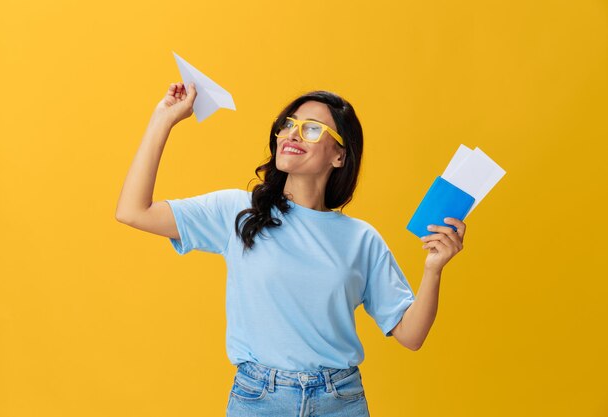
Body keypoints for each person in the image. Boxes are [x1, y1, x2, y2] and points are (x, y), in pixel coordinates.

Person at [115, 82, 466, 417]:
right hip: (259, 399)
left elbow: (411, 334)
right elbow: (133, 211)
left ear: (340, 155)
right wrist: (163, 118)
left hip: (340, 399)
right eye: (289, 125)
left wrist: (434, 268)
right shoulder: (240, 212)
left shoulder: (362, 239)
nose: (293, 135)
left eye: (312, 129)